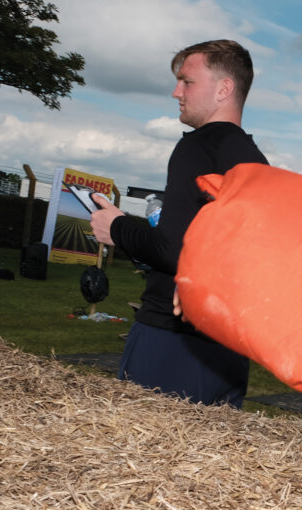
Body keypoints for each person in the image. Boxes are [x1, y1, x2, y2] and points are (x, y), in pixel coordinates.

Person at [89, 39, 268, 407]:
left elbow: (174, 252)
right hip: (228, 347)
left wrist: (117, 228)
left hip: (173, 340)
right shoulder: (255, 161)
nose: (175, 92)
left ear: (224, 89)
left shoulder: (198, 147)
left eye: (187, 82)